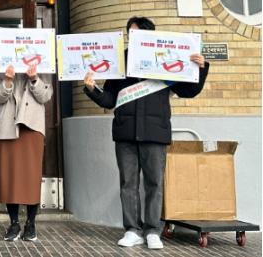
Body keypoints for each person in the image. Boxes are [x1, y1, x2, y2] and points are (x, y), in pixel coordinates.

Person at [83, 16, 209, 250]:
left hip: (155, 132)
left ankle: (152, 231)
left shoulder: (166, 59)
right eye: (130, 34)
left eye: (137, 33)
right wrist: (92, 89)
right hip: (125, 133)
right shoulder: (120, 62)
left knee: (154, 183)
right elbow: (109, 99)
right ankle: (132, 230)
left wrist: (200, 68)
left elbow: (188, 91)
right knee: (128, 184)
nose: (132, 38)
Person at [0, 63, 53, 242]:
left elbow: (46, 96)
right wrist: (7, 81)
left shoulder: (43, 63)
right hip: (8, 126)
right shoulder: (0, 63)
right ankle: (14, 223)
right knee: (10, 176)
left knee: (32, 176)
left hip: (32, 126)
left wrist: (34, 79)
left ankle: (31, 224)